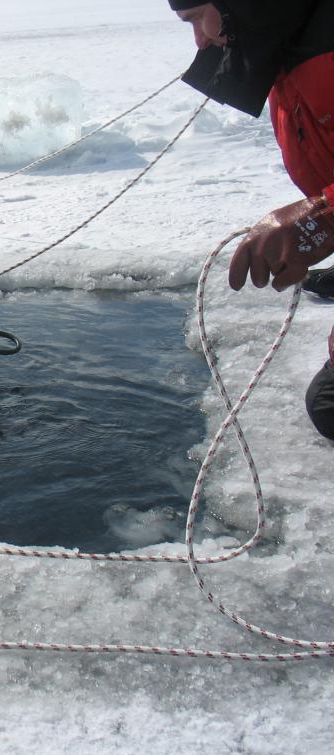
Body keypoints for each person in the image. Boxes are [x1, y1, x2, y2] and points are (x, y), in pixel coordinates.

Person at [169, 0, 334, 440]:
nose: (200, 41)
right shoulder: (286, 48)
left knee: (329, 408)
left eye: (196, 19)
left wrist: (325, 217)